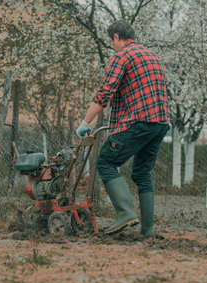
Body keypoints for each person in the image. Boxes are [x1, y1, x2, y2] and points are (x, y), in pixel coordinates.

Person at [77, 20, 170, 237]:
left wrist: (85, 123)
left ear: (117, 37)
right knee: (142, 173)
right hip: (160, 123)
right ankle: (147, 231)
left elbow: (104, 94)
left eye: (112, 41)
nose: (112, 46)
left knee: (106, 161)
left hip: (139, 122)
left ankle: (125, 213)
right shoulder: (151, 55)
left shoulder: (122, 56)